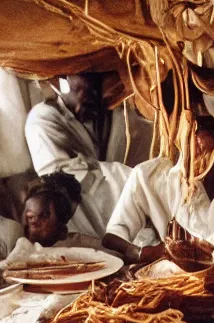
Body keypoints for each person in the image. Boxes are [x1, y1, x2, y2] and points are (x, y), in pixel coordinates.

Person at [102, 116, 214, 264]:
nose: (197, 165)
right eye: (192, 151)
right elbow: (112, 237)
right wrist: (141, 253)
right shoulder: (150, 176)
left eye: (207, 156)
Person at [23, 73, 133, 237]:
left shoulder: (105, 116)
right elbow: (60, 175)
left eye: (96, 88)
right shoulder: (41, 118)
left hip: (110, 206)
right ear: (64, 83)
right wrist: (127, 177)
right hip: (76, 212)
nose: (92, 95)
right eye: (84, 88)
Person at [19, 172, 107, 252]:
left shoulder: (78, 242)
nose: (34, 221)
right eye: (30, 217)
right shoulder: (18, 239)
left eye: (44, 216)